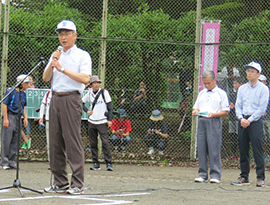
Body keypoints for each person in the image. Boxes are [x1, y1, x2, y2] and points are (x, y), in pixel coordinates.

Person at [43, 19, 92, 195]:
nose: (63, 37)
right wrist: (53, 62)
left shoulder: (82, 55)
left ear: (75, 35)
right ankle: (60, 182)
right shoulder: (56, 54)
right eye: (60, 34)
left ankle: (77, 183)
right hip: (55, 98)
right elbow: (46, 78)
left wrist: (62, 69)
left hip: (72, 98)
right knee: (55, 142)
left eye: (67, 33)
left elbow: (86, 79)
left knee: (72, 141)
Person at [231, 61, 269, 187]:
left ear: (258, 74)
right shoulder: (242, 88)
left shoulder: (264, 89)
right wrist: (241, 118)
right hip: (243, 121)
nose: (249, 73)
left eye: (252, 71)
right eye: (248, 71)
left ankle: (260, 178)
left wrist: (250, 120)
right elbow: (238, 105)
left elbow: (262, 108)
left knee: (257, 149)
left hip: (255, 121)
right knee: (243, 149)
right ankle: (244, 177)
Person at [192, 70, 229, 184]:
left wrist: (214, 114)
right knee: (201, 148)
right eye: (205, 83)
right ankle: (202, 174)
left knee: (214, 148)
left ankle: (215, 175)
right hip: (202, 120)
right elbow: (196, 107)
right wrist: (195, 111)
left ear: (214, 80)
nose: (206, 85)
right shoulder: (202, 93)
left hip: (214, 120)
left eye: (208, 83)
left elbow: (226, 111)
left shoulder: (221, 93)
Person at [82, 75, 113, 171]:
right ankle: (96, 163)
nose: (97, 84)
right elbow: (80, 102)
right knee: (93, 143)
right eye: (94, 83)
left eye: (98, 83)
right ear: (91, 84)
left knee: (105, 142)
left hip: (102, 121)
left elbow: (110, 106)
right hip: (92, 121)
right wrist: (87, 111)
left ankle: (108, 163)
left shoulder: (104, 92)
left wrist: (109, 120)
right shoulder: (89, 93)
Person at [1, 75, 30, 170]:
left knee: (15, 140)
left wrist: (25, 117)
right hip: (10, 116)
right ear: (22, 84)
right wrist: (6, 119)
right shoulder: (11, 91)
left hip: (18, 117)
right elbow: (4, 104)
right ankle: (4, 161)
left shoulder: (23, 94)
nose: (28, 85)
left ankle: (11, 160)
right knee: (7, 139)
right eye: (27, 83)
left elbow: (23, 106)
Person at [228, 77, 245, 160]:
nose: (234, 85)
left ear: (241, 84)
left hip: (240, 119)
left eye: (236, 83)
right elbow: (230, 105)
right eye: (233, 83)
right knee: (233, 136)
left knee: (240, 136)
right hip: (232, 117)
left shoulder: (244, 94)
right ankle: (233, 154)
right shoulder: (231, 94)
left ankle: (241, 154)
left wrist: (236, 107)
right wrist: (230, 106)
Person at [258, 74, 270, 161]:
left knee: (269, 135)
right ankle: (265, 155)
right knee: (264, 137)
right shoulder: (256, 91)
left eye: (261, 81)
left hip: (268, 118)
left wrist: (266, 111)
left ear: (265, 82)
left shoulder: (267, 90)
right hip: (261, 118)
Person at [21, 75, 35, 149]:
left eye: (30, 80)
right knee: (19, 126)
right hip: (22, 110)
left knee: (27, 127)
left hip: (29, 112)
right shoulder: (23, 90)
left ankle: (26, 142)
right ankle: (26, 140)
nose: (29, 81)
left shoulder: (33, 90)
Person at [38, 89, 52, 162]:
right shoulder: (48, 93)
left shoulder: (63, 92)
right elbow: (43, 105)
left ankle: (60, 162)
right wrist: (41, 117)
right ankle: (51, 162)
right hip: (49, 119)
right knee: (49, 142)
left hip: (60, 120)